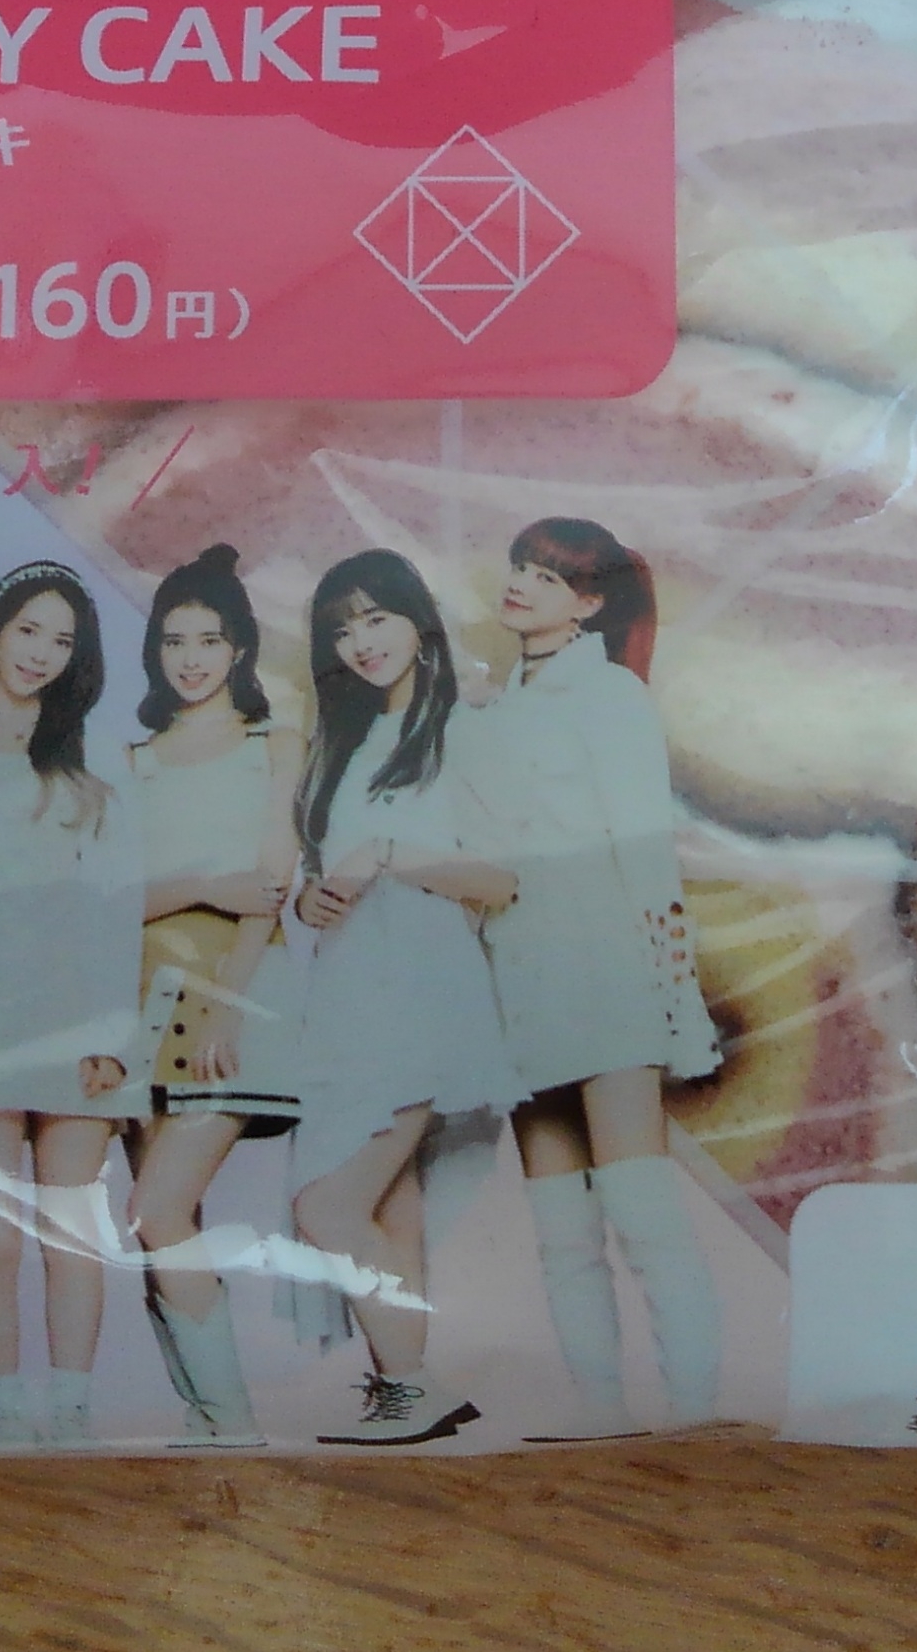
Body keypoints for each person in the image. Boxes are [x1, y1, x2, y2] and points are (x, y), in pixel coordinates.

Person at [472, 519, 725, 1436]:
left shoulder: (612, 693)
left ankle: (694, 1415)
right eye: (519, 565)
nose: (521, 583)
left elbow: (646, 851)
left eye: (548, 576)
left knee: (640, 1208)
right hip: (517, 971)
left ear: (588, 602)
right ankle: (598, 1415)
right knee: (559, 1226)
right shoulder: (492, 704)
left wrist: (672, 993)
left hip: (606, 963)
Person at [282, 549, 520, 1446]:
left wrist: (387, 853)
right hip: (346, 997)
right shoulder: (339, 743)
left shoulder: (463, 725)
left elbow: (501, 878)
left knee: (325, 1205)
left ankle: (411, 1389)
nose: (361, 641)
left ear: (418, 622)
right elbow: (328, 874)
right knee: (388, 1208)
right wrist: (312, 898)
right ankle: (402, 1393)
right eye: (342, 628)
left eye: (376, 617)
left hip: (422, 993)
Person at [0, 561, 146, 1446]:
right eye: (28, 630)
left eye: (62, 640)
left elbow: (117, 902)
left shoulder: (92, 758)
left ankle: (73, 1417)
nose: (41, 653)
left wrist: (114, 1033)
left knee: (72, 1231)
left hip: (78, 1017)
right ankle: (9, 1421)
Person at [118, 547, 302, 1446]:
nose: (190, 659)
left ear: (239, 649)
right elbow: (109, 900)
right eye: (174, 640)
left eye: (208, 640)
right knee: (163, 1221)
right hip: (139, 1002)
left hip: (236, 997)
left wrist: (231, 1007)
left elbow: (268, 889)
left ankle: (232, 1418)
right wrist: (196, 882)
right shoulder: (133, 760)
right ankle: (204, 1413)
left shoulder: (276, 745)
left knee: (157, 1211)